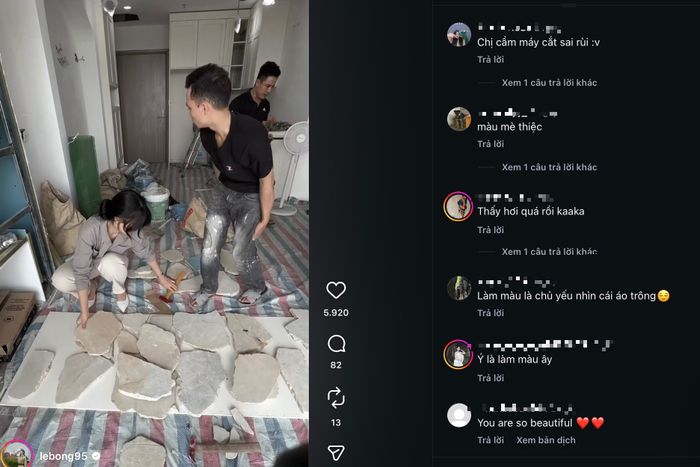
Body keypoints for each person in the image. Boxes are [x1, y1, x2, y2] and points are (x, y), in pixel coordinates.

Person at [185, 64, 274, 308]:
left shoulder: (253, 134)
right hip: (223, 190)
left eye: (189, 107)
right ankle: (208, 287)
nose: (189, 112)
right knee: (209, 245)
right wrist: (222, 189)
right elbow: (219, 164)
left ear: (204, 107)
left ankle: (257, 287)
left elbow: (267, 180)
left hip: (251, 195)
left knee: (240, 250)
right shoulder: (205, 133)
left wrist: (265, 218)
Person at [52, 190, 176, 328]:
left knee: (112, 261)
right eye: (132, 225)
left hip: (112, 264)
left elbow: (146, 253)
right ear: (117, 219)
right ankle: (91, 288)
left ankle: (120, 291)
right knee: (59, 280)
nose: (135, 229)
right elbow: (81, 271)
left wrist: (161, 276)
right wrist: (85, 312)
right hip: (89, 265)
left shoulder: (132, 230)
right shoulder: (91, 229)